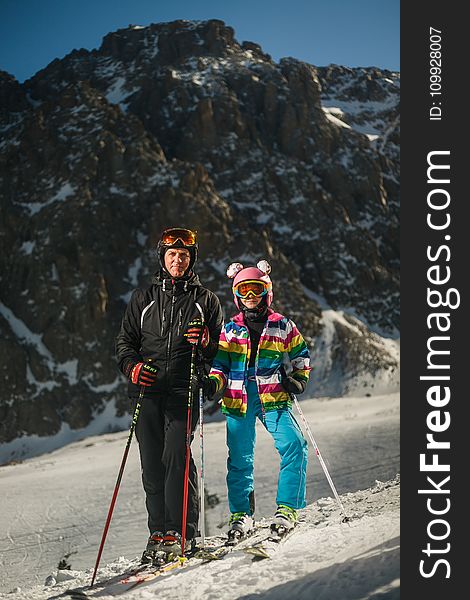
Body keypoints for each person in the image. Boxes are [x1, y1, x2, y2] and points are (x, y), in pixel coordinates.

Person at [115, 227, 223, 561]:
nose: (178, 260)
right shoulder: (144, 298)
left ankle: (181, 532)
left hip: (182, 390)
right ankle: (158, 533)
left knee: (176, 456)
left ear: (192, 260)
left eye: (184, 255)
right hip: (146, 392)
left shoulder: (206, 301)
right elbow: (125, 343)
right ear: (162, 258)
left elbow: (219, 353)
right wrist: (133, 368)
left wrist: (205, 342)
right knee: (151, 463)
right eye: (172, 255)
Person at [205, 260, 311, 538]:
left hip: (273, 395)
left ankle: (287, 508)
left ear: (267, 292)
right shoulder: (230, 329)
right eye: (243, 291)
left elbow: (301, 356)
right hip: (238, 398)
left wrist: (298, 380)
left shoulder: (282, 325)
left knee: (295, 444)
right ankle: (241, 514)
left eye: (255, 290)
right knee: (240, 458)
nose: (250, 297)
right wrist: (213, 383)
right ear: (236, 295)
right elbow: (220, 365)